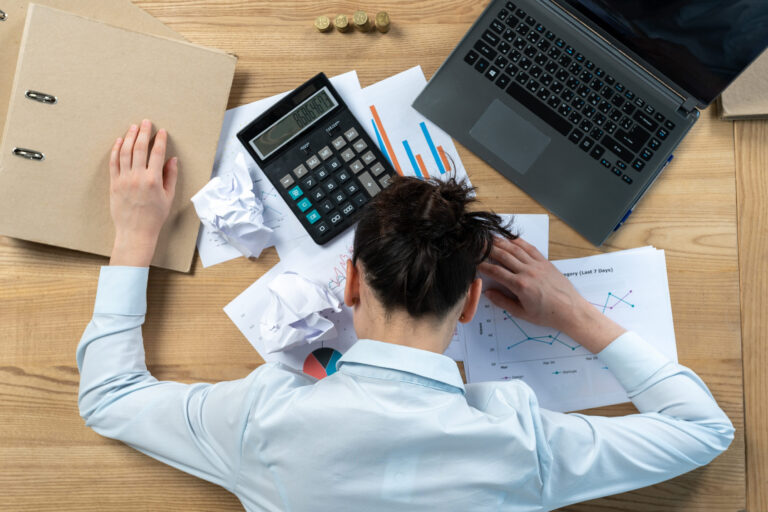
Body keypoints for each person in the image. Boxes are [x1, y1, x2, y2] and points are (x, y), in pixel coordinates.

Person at [78, 120, 733, 512]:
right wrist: (571, 312)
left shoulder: (262, 419)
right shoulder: (525, 447)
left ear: (352, 283)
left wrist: (137, 231)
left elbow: (110, 397)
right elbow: (704, 432)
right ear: (473, 301)